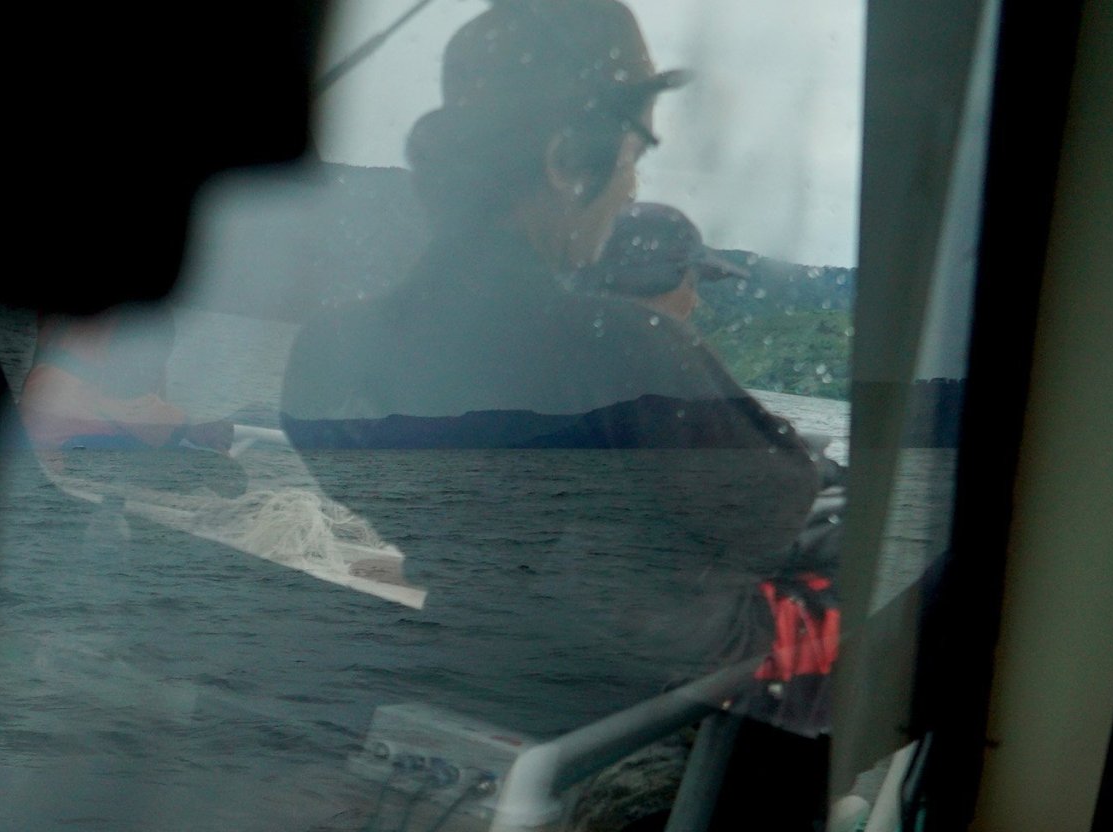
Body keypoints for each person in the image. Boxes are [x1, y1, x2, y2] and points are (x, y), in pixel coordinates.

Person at [277, 0, 824, 736]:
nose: (629, 190)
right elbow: (774, 506)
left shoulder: (327, 351)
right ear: (566, 161)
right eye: (631, 162)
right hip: (622, 721)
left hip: (468, 667)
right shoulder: (621, 347)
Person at [587, 201, 747, 323]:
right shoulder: (659, 361)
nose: (695, 302)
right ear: (654, 281)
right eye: (691, 283)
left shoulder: (576, 342)